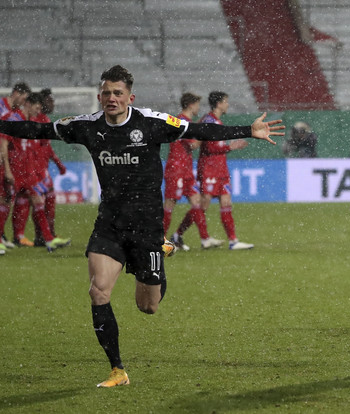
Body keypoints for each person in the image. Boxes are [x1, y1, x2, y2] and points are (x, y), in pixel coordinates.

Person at [0, 65, 284, 387]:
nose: (111, 98)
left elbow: (198, 132)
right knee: (98, 292)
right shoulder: (86, 127)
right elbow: (36, 131)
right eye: (106, 93)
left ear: (129, 97)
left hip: (147, 227)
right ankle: (117, 370)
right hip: (109, 223)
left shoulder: (151, 123)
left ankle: (161, 252)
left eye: (118, 93)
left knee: (147, 306)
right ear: (99, 96)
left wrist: (248, 129)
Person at [1, 92, 69, 251]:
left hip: (27, 171)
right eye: (36, 108)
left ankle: (48, 239)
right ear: (28, 104)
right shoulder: (14, 119)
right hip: (15, 170)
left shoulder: (30, 121)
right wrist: (8, 170)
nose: (38, 112)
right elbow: (3, 143)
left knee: (38, 201)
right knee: (5, 203)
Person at [164, 93, 222, 251]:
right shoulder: (181, 121)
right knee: (170, 204)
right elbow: (193, 145)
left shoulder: (187, 121)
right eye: (197, 104)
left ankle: (204, 239)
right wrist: (206, 132)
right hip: (176, 170)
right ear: (190, 105)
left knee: (197, 202)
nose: (198, 107)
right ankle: (159, 241)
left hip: (186, 170)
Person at [197, 91, 254, 250]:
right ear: (219, 103)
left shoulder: (217, 122)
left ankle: (233, 241)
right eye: (226, 102)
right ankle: (180, 235)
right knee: (202, 205)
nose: (227, 104)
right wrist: (231, 146)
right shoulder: (209, 121)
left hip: (220, 170)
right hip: (209, 169)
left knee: (226, 202)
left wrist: (229, 146)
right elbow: (209, 147)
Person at [0, 82, 31, 248]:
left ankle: (2, 235)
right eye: (23, 98)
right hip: (2, 157)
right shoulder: (2, 107)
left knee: (5, 198)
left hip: (4, 157)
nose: (23, 102)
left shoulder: (13, 113)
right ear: (17, 93)